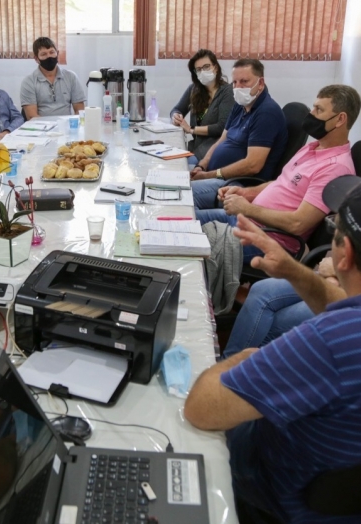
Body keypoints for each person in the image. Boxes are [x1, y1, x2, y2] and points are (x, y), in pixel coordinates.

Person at [184, 203, 361, 523]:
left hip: (274, 491)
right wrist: (294, 271)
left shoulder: (329, 342)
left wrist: (244, 358)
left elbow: (201, 409)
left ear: (344, 253)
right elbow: (347, 309)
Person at [199, 84, 360, 265]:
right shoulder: (313, 147)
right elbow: (281, 183)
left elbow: (298, 224)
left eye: (319, 109)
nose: (311, 114)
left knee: (191, 246)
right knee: (187, 221)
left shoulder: (335, 168)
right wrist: (246, 193)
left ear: (340, 120)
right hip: (247, 221)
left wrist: (247, 208)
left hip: (270, 241)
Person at [191, 58, 287, 211]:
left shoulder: (267, 113)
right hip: (216, 174)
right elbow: (221, 140)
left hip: (237, 184)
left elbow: (252, 165)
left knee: (183, 194)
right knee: (176, 174)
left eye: (244, 81)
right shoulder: (240, 105)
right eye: (235, 82)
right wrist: (202, 165)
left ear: (260, 83)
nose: (238, 87)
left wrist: (209, 175)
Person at [170, 49, 234, 164]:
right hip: (195, 148)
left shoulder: (227, 92)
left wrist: (191, 129)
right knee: (173, 162)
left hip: (213, 149)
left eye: (206, 67)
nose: (203, 72)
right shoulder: (194, 89)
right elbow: (177, 109)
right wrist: (175, 116)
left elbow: (222, 127)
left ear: (215, 67)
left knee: (183, 167)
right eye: (199, 69)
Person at [20, 37, 86, 120]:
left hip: (67, 127)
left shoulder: (71, 77)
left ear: (57, 53)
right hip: (41, 129)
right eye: (44, 54)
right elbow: (32, 116)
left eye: (52, 52)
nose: (49, 56)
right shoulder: (29, 82)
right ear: (37, 59)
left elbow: (80, 110)